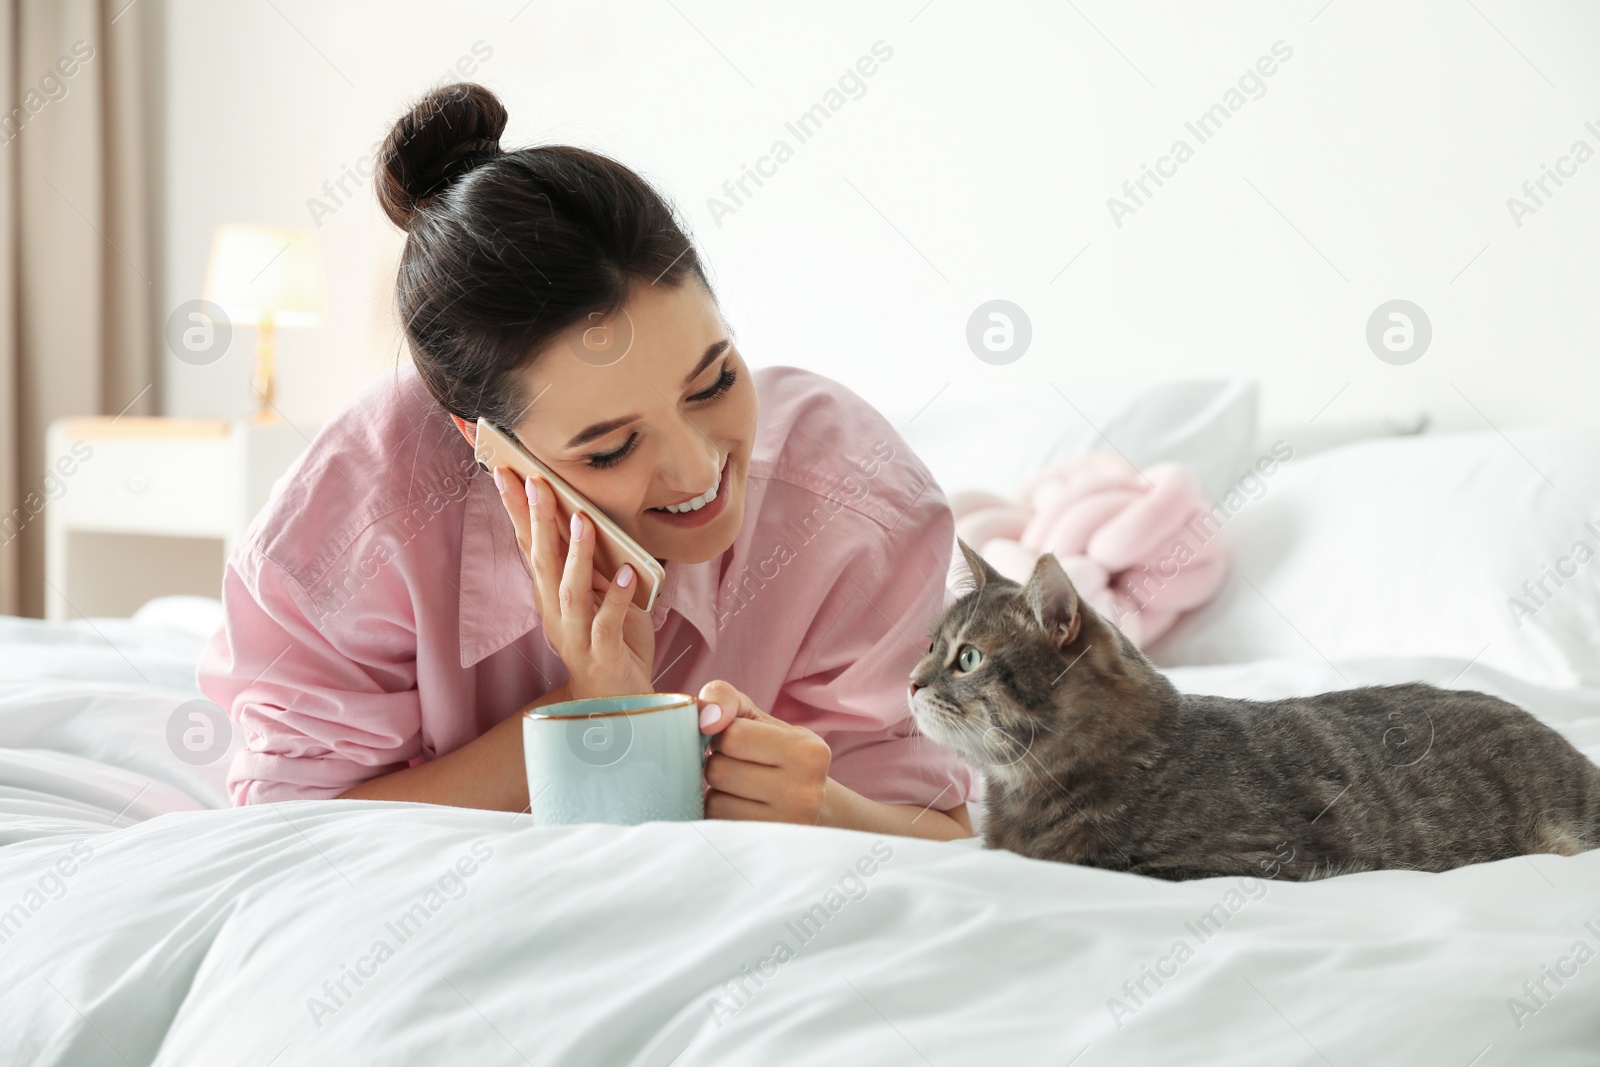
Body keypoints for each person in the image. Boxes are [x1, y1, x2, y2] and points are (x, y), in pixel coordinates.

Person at [196, 82, 975, 840]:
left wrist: (828, 809)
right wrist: (590, 705)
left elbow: (939, 828)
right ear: (487, 444)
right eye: (612, 446)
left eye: (714, 383)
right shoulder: (359, 524)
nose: (697, 469)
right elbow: (294, 831)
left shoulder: (851, 501)